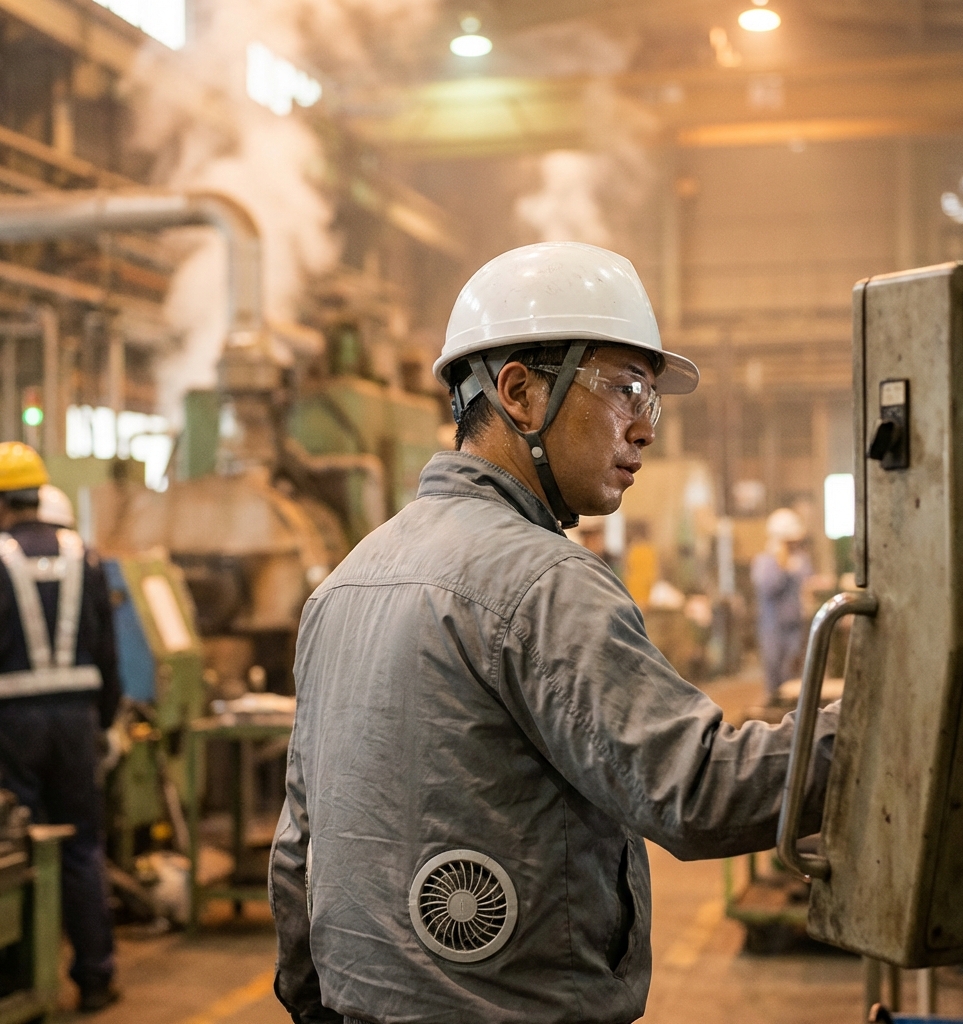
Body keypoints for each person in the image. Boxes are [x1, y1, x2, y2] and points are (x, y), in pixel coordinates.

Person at [271, 242, 839, 1024]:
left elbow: (300, 851)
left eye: (652, 401)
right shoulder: (542, 583)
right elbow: (698, 790)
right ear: (520, 393)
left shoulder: (346, 581)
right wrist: (890, 728)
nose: (644, 429)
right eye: (625, 389)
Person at [0, 444, 120, 1012]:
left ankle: (19, 976)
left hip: (13, 727)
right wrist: (108, 721)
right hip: (76, 723)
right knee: (81, 846)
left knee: (15, 848)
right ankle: (94, 979)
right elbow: (108, 650)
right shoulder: (85, 556)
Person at [751, 507, 813, 704]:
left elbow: (809, 584)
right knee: (775, 673)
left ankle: (795, 715)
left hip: (796, 626)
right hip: (773, 628)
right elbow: (768, 587)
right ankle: (775, 712)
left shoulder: (802, 560)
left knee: (795, 673)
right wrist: (782, 566)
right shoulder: (764, 562)